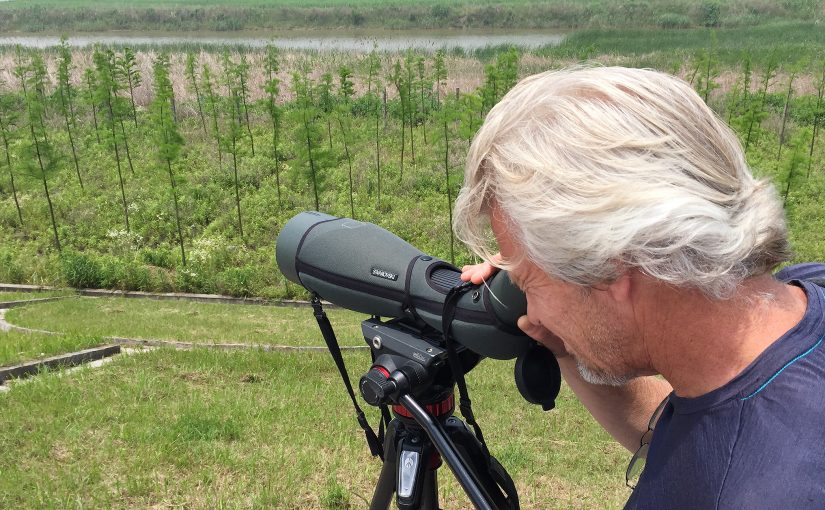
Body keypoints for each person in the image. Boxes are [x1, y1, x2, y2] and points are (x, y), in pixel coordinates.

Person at [453, 66, 825, 508]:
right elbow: (701, 434)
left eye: (527, 281)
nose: (529, 311)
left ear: (609, 266)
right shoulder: (800, 299)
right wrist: (565, 337)